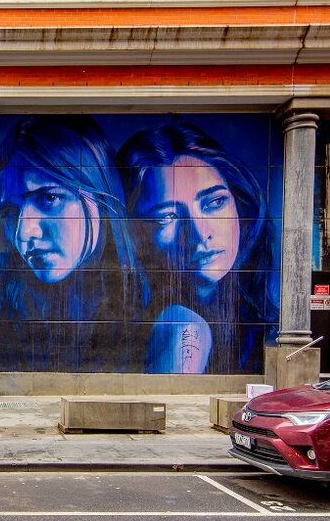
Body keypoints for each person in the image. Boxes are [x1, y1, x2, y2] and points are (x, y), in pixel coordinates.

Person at [118, 121, 278, 374]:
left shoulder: (256, 317)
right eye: (166, 217)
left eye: (214, 202)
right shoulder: (177, 326)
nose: (199, 234)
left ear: (240, 206)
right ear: (135, 234)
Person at [0, 115, 140, 371]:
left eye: (49, 198)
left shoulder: (156, 317)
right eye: (10, 213)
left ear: (100, 194)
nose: (24, 233)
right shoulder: (8, 308)